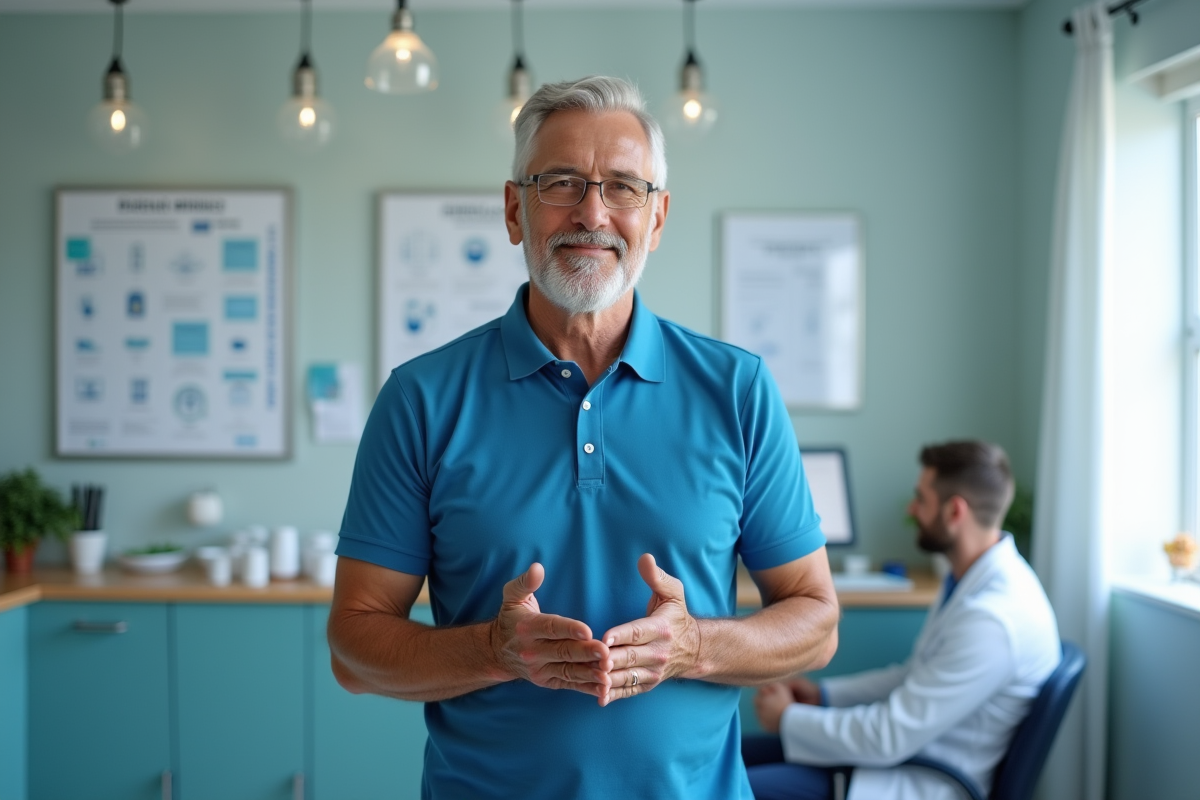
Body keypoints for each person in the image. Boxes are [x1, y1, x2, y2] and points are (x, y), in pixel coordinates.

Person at [327, 76, 840, 800]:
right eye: (561, 182)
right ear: (515, 209)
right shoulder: (420, 399)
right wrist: (493, 650)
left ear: (657, 219)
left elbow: (815, 623)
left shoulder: (738, 390)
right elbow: (354, 648)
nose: (592, 212)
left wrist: (694, 646)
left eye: (624, 187)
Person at [743, 440, 1061, 800]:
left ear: (955, 512)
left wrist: (787, 719)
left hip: (918, 780)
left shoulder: (993, 620)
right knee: (729, 758)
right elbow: (914, 676)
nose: (912, 509)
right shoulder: (974, 581)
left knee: (723, 788)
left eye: (921, 499)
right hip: (901, 758)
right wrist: (823, 696)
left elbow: (889, 737)